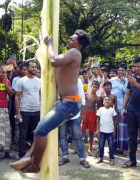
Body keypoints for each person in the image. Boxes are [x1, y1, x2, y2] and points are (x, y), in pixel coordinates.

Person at [10, 29, 90, 173]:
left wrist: (49, 45)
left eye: (72, 39)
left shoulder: (75, 53)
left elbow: (54, 61)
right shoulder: (70, 54)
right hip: (65, 102)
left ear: (79, 46)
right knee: (40, 128)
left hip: (69, 104)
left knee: (41, 130)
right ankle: (27, 157)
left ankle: (35, 165)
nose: (68, 40)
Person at [58, 78, 90, 168]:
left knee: (78, 136)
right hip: (62, 113)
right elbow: (57, 96)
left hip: (75, 113)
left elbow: (82, 97)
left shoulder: (77, 80)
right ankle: (65, 156)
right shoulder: (60, 79)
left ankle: (82, 158)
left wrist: (82, 113)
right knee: (63, 136)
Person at [15, 61, 41, 158]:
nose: (35, 68)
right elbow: (17, 97)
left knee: (36, 134)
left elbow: (41, 96)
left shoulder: (40, 81)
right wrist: (18, 113)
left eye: (36, 67)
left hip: (37, 111)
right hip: (25, 111)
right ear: (27, 68)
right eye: (32, 67)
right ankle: (21, 156)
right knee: (23, 135)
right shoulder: (21, 81)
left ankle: (33, 155)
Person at [109, 64, 128, 155]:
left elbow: (127, 93)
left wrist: (124, 82)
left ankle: (124, 148)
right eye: (119, 70)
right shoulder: (112, 80)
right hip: (112, 108)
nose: (120, 72)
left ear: (125, 72)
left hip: (122, 108)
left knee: (123, 129)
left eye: (122, 70)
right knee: (113, 128)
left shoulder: (127, 81)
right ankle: (113, 147)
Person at [96, 96, 117, 166]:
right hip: (102, 131)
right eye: (105, 100)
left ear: (111, 102)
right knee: (101, 145)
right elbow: (98, 120)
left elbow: (115, 120)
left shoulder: (112, 110)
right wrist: (98, 129)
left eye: (108, 100)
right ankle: (101, 157)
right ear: (103, 102)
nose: (107, 101)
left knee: (111, 145)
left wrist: (114, 130)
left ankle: (111, 159)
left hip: (110, 131)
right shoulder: (100, 109)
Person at [81, 81, 100, 156]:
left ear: (98, 88)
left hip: (93, 114)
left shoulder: (97, 98)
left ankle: (90, 148)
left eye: (96, 87)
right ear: (91, 86)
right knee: (82, 131)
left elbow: (98, 108)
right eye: (93, 86)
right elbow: (82, 103)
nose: (94, 88)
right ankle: (79, 148)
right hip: (85, 113)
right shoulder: (86, 94)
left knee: (91, 132)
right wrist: (82, 113)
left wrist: (97, 119)